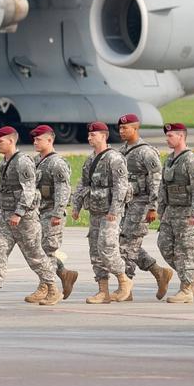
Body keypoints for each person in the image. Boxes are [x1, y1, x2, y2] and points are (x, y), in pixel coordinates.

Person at [0, 126, 56, 308]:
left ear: (11, 141)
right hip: (6, 218)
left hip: (24, 219)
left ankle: (52, 288)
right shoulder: (4, 162)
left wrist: (19, 212)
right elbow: (1, 190)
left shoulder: (23, 162)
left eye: (0, 141)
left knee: (35, 256)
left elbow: (29, 190)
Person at [72, 122, 132, 304]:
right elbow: (83, 184)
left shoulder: (114, 158)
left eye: (94, 135)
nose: (90, 138)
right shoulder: (90, 160)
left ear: (104, 136)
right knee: (95, 252)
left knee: (107, 247)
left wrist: (114, 210)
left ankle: (124, 281)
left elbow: (121, 186)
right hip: (95, 211)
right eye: (89, 136)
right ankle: (103, 291)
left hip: (109, 212)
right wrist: (76, 206)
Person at [117, 114, 174, 300]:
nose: (121, 131)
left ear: (135, 128)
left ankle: (127, 287)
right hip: (126, 204)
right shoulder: (123, 150)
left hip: (142, 204)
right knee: (125, 243)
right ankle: (159, 272)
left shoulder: (146, 152)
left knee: (127, 244)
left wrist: (153, 207)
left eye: (125, 128)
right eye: (120, 128)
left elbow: (156, 181)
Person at [156, 122, 194, 303]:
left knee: (185, 250)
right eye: (167, 135)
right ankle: (193, 277)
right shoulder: (170, 159)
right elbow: (163, 187)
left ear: (181, 137)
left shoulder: (191, 160)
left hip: (187, 213)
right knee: (164, 246)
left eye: (171, 135)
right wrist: (161, 210)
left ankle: (186, 290)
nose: (167, 139)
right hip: (171, 212)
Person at [32, 125, 79, 299]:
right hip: (38, 212)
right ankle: (65, 274)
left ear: (50, 140)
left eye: (39, 139)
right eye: (34, 139)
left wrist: (58, 213)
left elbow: (63, 190)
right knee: (38, 251)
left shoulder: (57, 163)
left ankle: (45, 287)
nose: (35, 142)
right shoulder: (36, 161)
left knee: (48, 250)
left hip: (52, 212)